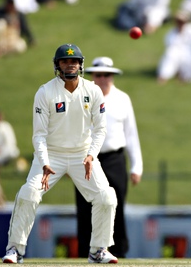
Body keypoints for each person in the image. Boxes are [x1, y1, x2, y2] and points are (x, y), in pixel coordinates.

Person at [1, 44, 118, 264]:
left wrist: (91, 155)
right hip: (51, 155)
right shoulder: (45, 92)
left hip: (82, 155)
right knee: (29, 193)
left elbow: (100, 129)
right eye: (65, 61)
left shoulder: (93, 91)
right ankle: (15, 249)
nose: (70, 65)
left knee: (106, 196)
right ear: (57, 65)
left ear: (81, 65)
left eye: (74, 61)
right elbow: (39, 135)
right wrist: (44, 162)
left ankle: (98, 250)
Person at [75, 56, 143, 258]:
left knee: (116, 205)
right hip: (87, 160)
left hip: (114, 160)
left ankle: (118, 252)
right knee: (86, 207)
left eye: (107, 75)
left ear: (112, 77)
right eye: (99, 74)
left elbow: (131, 133)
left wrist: (136, 166)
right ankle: (85, 254)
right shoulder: (81, 98)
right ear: (92, 76)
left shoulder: (122, 98)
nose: (103, 78)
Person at [157, 11, 191, 85]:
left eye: (182, 22)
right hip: (176, 55)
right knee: (170, 54)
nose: (180, 23)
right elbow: (170, 48)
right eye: (179, 21)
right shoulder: (171, 34)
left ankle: (184, 76)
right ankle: (163, 76)